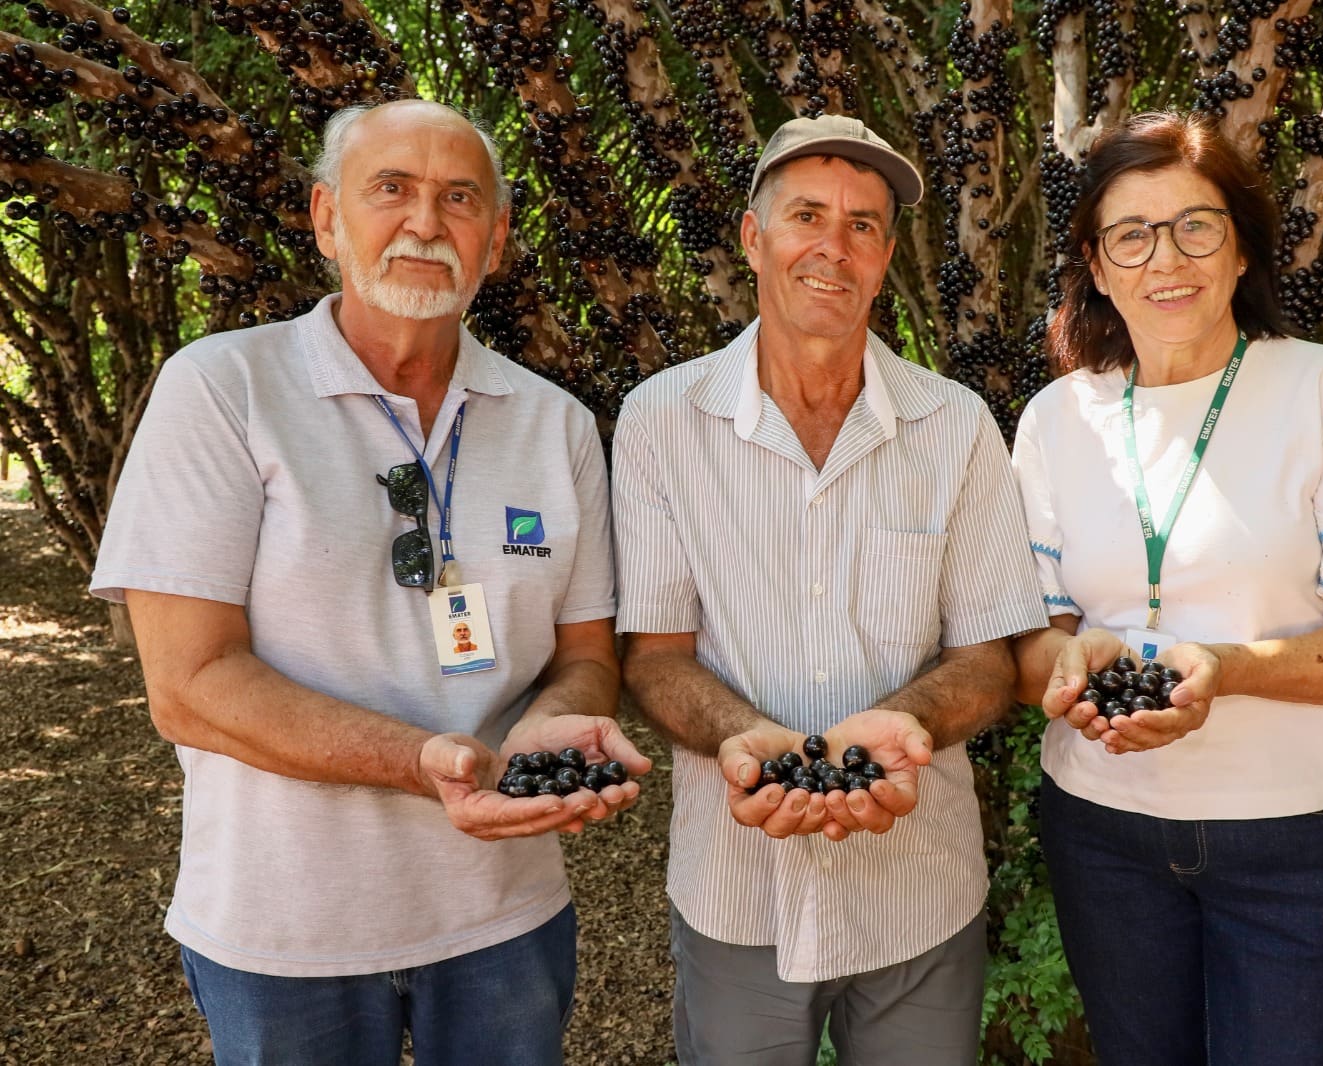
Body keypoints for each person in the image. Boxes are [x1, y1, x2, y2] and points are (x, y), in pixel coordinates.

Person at [90, 99, 650, 1066]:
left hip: (503, 914)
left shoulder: (555, 423)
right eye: (391, 189)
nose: (426, 223)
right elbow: (188, 688)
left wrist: (557, 720)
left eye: (460, 198)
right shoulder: (224, 388)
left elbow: (586, 654)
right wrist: (427, 762)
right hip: (284, 928)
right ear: (325, 217)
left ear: (497, 237)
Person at [1010, 110, 1323, 1065]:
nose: (1164, 259)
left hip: (1307, 844)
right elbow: (1033, 640)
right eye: (1130, 234)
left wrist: (1221, 667)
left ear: (1241, 244)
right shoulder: (1058, 419)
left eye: (1196, 225)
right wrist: (1070, 660)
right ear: (1095, 264)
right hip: (1105, 832)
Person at [611, 114, 1047, 1065]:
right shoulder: (659, 422)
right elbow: (652, 654)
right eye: (806, 214)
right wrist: (741, 739)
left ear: (886, 256)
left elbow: (988, 658)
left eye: (862, 225)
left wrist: (902, 728)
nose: (832, 246)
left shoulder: (956, 425)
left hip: (918, 889)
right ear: (751, 237)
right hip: (737, 887)